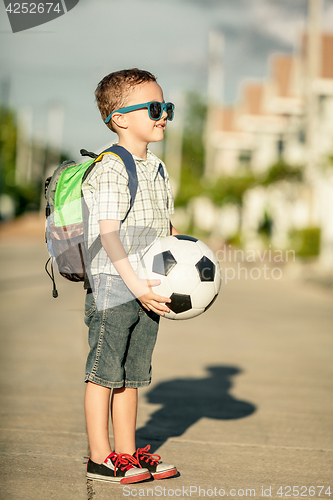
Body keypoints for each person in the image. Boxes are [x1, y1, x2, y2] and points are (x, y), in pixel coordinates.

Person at [82, 68, 179, 484]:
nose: (163, 116)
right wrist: (135, 285)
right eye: (154, 108)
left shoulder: (157, 167)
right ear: (120, 117)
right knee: (104, 370)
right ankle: (99, 456)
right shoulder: (111, 167)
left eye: (166, 108)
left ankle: (127, 452)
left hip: (147, 284)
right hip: (113, 284)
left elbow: (166, 229)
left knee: (133, 371)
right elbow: (108, 234)